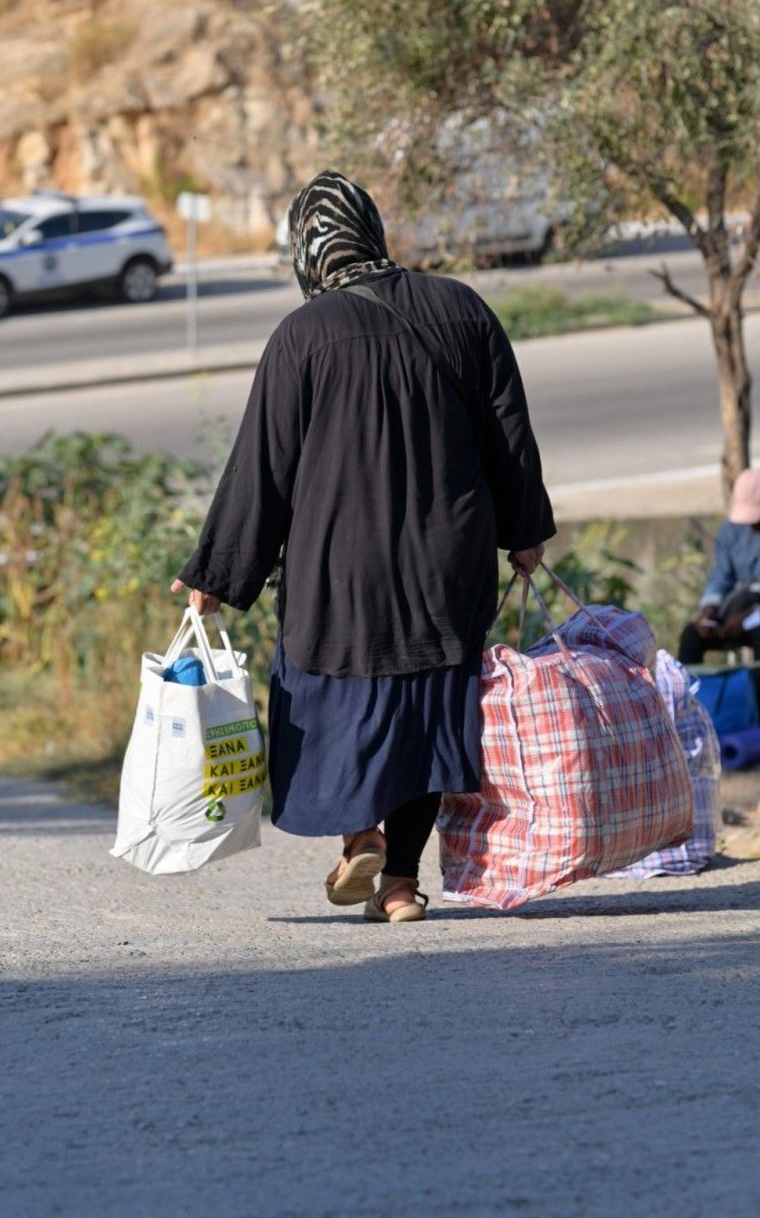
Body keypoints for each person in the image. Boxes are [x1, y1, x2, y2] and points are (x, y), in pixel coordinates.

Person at [171, 170, 554, 921]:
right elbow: (509, 433)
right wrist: (524, 534)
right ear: (371, 230)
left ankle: (359, 836)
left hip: (339, 575)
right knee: (423, 719)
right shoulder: (463, 309)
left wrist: (217, 572)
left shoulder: (303, 336)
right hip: (449, 564)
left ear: (307, 250)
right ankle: (402, 886)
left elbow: (262, 468)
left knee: (335, 706)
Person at [678, 469, 760, 723]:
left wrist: (757, 612)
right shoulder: (732, 530)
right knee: (692, 636)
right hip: (734, 614)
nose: (753, 523)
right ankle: (686, 716)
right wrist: (710, 610)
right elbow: (720, 577)